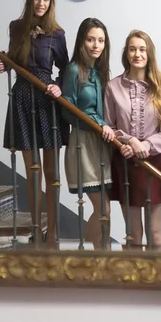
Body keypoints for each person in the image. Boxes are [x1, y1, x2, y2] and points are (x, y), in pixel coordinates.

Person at [0, 0, 69, 247]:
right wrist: (6, 63)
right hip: (23, 100)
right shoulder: (16, 27)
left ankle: (55, 232)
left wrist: (58, 88)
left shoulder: (58, 34)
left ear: (51, 3)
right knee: (32, 171)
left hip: (48, 104)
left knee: (51, 173)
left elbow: (66, 69)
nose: (41, 3)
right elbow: (15, 57)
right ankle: (37, 229)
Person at [104, 29, 161, 249]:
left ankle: (158, 281)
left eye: (142, 49)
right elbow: (109, 125)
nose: (137, 54)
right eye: (132, 49)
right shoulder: (112, 86)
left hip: (155, 163)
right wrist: (130, 142)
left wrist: (146, 146)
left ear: (149, 53)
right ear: (126, 53)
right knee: (133, 236)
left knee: (156, 236)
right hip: (125, 161)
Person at [61, 18, 115, 249]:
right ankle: (92, 256)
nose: (96, 45)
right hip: (83, 144)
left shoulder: (100, 72)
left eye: (101, 40)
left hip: (101, 144)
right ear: (82, 41)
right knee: (103, 208)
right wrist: (95, 124)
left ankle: (102, 255)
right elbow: (68, 110)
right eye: (91, 39)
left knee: (106, 209)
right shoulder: (74, 70)